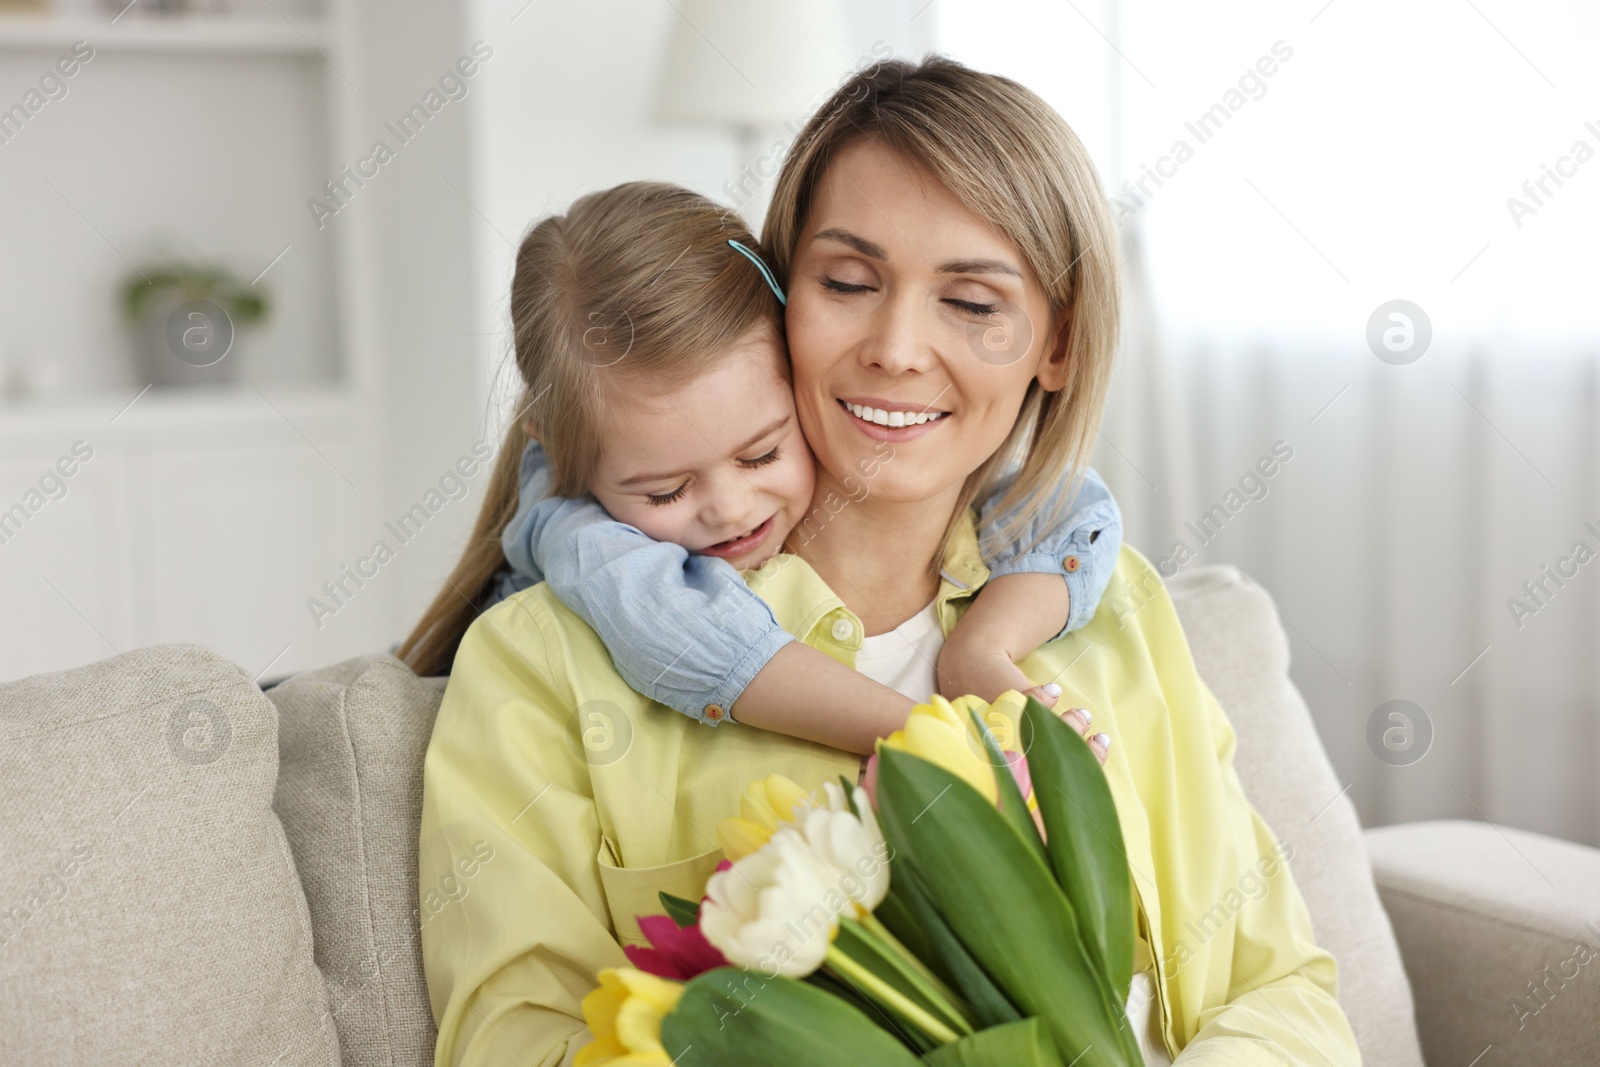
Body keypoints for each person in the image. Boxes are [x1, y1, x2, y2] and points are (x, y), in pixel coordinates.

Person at [415, 56, 1360, 1067]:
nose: (897, 348)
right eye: (850, 282)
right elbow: (512, 1044)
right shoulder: (545, 660)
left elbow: (1279, 989)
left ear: (1058, 345)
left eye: (972, 302)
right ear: (775, 295)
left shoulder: (1112, 608)